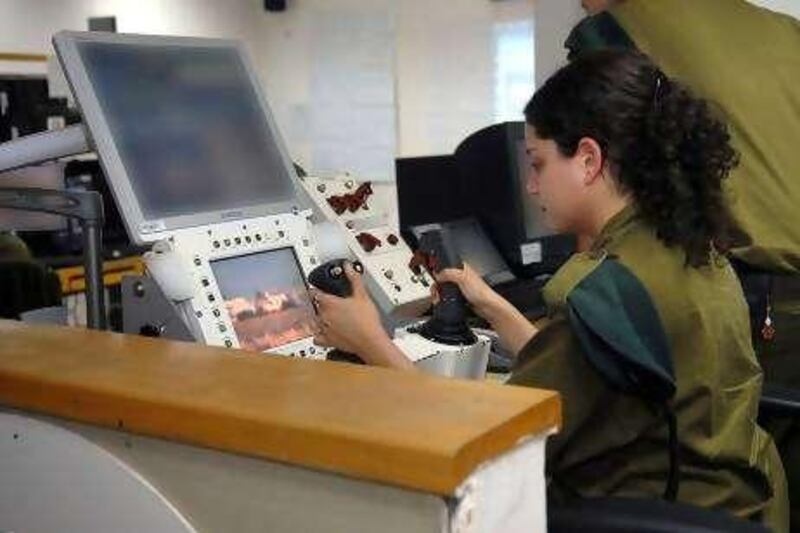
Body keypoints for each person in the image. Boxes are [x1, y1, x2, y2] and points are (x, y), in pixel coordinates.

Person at [310, 50, 789, 530]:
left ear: (588, 160)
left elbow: (476, 444)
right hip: (739, 507)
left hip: (639, 515)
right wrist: (495, 306)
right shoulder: (691, 249)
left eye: (537, 164)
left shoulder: (606, 289)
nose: (532, 186)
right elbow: (611, 368)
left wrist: (370, 341)